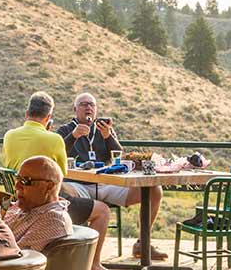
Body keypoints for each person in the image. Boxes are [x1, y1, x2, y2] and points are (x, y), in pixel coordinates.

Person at [2, 91, 118, 270]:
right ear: (48, 117)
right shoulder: (54, 139)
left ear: (26, 113)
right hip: (43, 204)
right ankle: (93, 266)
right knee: (102, 210)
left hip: (17, 201)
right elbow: (60, 174)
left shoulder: (9, 136)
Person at [55, 92, 165, 261]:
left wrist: (108, 136)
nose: (88, 108)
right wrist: (74, 136)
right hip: (78, 184)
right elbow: (57, 152)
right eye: (84, 104)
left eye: (92, 105)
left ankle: (143, 243)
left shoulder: (103, 129)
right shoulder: (65, 129)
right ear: (75, 109)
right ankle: (74, 253)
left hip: (106, 182)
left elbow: (119, 155)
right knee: (64, 194)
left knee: (154, 190)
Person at [4, 156, 74, 252]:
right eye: (17, 179)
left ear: (49, 186)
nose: (17, 186)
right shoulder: (20, 207)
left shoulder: (53, 218)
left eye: (25, 181)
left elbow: (16, 259)